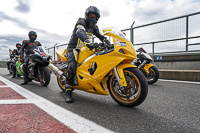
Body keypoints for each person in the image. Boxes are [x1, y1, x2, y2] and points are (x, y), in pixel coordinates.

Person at [65, 6, 110, 103]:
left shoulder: (94, 27)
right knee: (72, 66)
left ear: (97, 18)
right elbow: (80, 31)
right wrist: (87, 41)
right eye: (91, 15)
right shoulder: (81, 22)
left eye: (95, 16)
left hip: (85, 48)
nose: (92, 17)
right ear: (87, 15)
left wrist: (107, 42)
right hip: (74, 48)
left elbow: (100, 36)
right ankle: (68, 90)